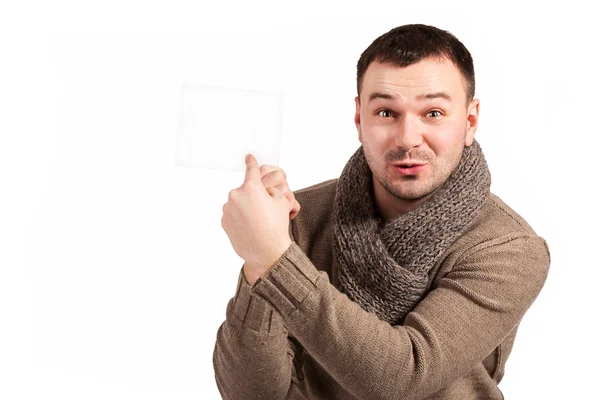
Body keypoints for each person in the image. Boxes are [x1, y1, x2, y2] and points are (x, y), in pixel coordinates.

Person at [214, 23, 551, 400]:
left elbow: (403, 377)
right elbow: (250, 394)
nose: (408, 138)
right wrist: (259, 264)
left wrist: (276, 260)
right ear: (360, 119)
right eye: (387, 112)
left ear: (470, 121)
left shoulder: (508, 248)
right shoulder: (297, 218)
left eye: (434, 112)